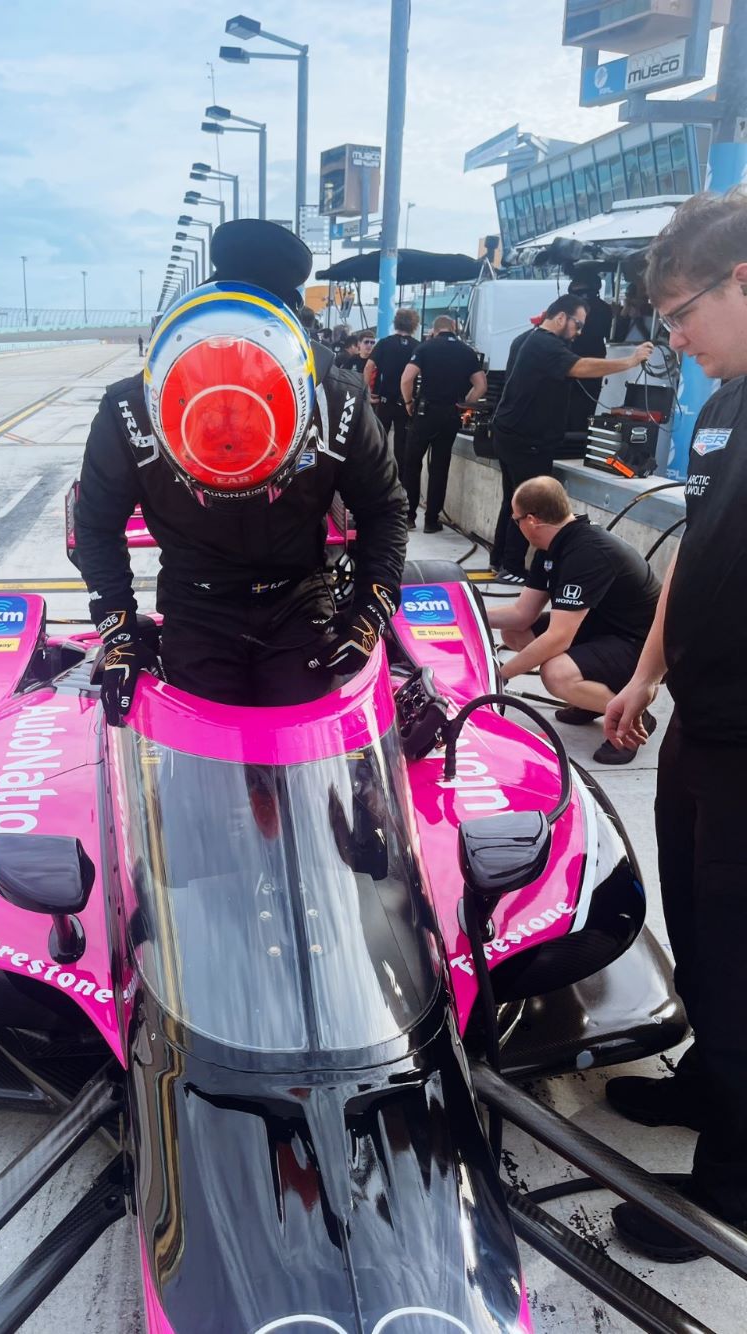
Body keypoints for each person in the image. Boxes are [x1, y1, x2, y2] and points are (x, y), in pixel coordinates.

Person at [69, 218, 408, 721]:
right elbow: (95, 525)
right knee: (201, 761)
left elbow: (384, 510)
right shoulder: (129, 410)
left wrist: (370, 612)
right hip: (195, 604)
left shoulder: (338, 399)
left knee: (311, 751)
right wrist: (118, 633)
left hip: (298, 597)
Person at [601, 187, 747, 1260]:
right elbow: (691, 554)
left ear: (743, 279)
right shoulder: (722, 405)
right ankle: (709, 1081)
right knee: (693, 927)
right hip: (701, 718)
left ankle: (733, 1187)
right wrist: (642, 673)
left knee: (741, 951)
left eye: (680, 312)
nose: (674, 338)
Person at [486, 477, 660, 763]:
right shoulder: (551, 547)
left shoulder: (587, 552)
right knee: (515, 634)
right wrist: (463, 613)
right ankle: (591, 700)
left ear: (531, 520)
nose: (516, 525)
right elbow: (521, 616)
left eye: (515, 519)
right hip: (603, 629)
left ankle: (631, 716)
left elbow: (559, 637)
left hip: (641, 646)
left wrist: (499, 676)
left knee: (556, 673)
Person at [489, 295, 653, 582]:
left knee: (513, 499)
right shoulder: (545, 344)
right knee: (530, 504)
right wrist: (630, 360)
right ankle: (512, 567)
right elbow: (581, 367)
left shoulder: (529, 340)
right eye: (578, 324)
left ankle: (500, 559)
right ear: (561, 317)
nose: (579, 332)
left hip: (511, 431)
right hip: (527, 437)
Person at [399, 316, 487, 532]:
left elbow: (407, 378)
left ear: (434, 330)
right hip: (450, 414)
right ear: (454, 328)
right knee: (440, 466)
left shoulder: (425, 347)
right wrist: (464, 404)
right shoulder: (467, 352)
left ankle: (409, 516)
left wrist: (409, 402)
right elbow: (481, 385)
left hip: (425, 412)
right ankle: (431, 520)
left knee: (412, 463)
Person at [364, 308, 421, 469]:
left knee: (378, 442)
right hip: (406, 402)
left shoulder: (385, 343)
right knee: (402, 446)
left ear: (396, 323)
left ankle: (375, 479)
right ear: (414, 325)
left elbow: (369, 367)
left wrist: (366, 393)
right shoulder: (418, 346)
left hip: (383, 400)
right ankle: (399, 483)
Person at [565, 270, 615, 434]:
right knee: (586, 404)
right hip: (595, 361)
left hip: (578, 359)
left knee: (573, 404)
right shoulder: (605, 308)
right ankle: (580, 436)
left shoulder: (579, 309)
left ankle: (573, 437)